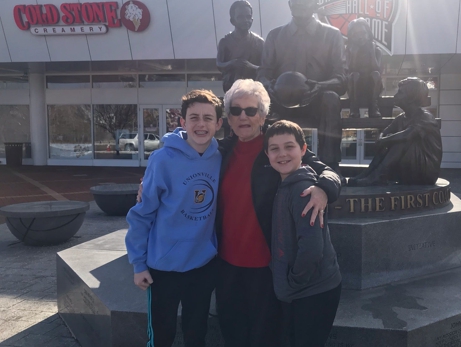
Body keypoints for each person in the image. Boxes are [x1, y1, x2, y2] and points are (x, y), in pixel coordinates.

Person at [216, 79, 341, 347]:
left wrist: (323, 189)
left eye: (251, 110)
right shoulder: (221, 151)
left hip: (266, 268)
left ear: (263, 115)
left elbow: (328, 170)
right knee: (232, 335)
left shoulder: (278, 146)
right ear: (228, 117)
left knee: (265, 338)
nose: (243, 117)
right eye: (236, 111)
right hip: (227, 266)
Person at [125, 89, 223, 347]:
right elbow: (142, 214)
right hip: (163, 267)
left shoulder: (221, 158)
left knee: (196, 334)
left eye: (207, 118)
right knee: (161, 335)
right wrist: (138, 263)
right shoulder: (162, 159)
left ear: (219, 124)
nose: (200, 124)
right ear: (182, 122)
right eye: (193, 117)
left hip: (202, 265)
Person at [264, 120, 342, 347]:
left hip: (311, 292)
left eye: (289, 147)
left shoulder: (303, 191)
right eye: (274, 149)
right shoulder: (286, 183)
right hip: (302, 290)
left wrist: (292, 283)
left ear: (303, 150)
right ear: (267, 154)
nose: (282, 154)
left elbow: (311, 248)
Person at [257, 0, 346, 170]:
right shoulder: (275, 36)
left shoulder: (332, 35)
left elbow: (341, 79)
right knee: (259, 101)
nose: (300, 4)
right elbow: (263, 74)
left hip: (316, 102)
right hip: (280, 102)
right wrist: (268, 86)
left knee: (331, 98)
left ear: (315, 4)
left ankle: (329, 167)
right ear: (290, 4)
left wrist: (319, 86)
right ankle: (264, 165)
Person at [348, 77, 442, 186]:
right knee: (390, 140)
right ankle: (368, 174)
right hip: (407, 170)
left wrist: (384, 140)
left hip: (425, 172)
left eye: (400, 93)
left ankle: (378, 177)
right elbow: (386, 131)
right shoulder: (401, 118)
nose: (395, 96)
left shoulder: (425, 117)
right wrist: (381, 138)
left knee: (400, 140)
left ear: (411, 97)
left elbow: (408, 135)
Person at [216, 0, 264, 93]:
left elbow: (265, 68)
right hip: (231, 88)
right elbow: (219, 64)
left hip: (253, 90)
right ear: (232, 21)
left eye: (248, 17)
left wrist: (250, 66)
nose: (245, 20)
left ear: (252, 19)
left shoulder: (259, 42)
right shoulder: (225, 41)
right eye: (240, 17)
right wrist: (232, 63)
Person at [346, 18, 383, 118]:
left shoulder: (377, 50)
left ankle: (373, 107)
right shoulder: (349, 50)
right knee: (354, 75)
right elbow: (349, 69)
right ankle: (354, 107)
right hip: (355, 86)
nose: (360, 37)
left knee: (376, 75)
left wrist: (371, 52)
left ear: (368, 34)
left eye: (363, 33)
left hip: (372, 86)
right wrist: (354, 54)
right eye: (356, 34)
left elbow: (377, 68)